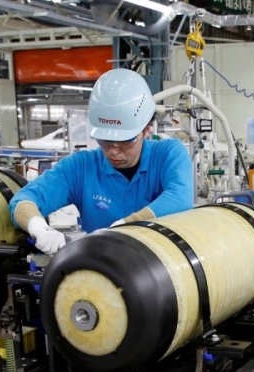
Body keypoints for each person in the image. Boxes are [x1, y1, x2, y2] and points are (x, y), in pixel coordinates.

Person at [10, 69, 194, 255]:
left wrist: (125, 225)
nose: (113, 150)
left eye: (125, 141)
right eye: (105, 140)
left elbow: (180, 197)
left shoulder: (167, 154)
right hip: (103, 272)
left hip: (164, 268)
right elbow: (23, 201)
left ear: (146, 130)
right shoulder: (81, 168)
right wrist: (39, 227)